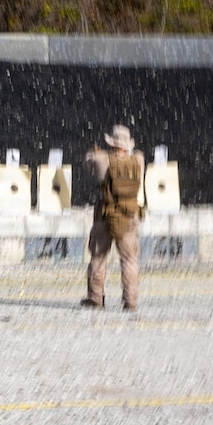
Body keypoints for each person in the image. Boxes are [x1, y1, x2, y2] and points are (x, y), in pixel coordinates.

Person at [81, 125, 145, 311]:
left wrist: (94, 151)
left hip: (106, 215)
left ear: (112, 143)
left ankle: (95, 298)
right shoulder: (138, 160)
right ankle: (130, 300)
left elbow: (88, 162)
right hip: (130, 215)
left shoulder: (102, 159)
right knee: (129, 260)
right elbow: (135, 157)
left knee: (99, 257)